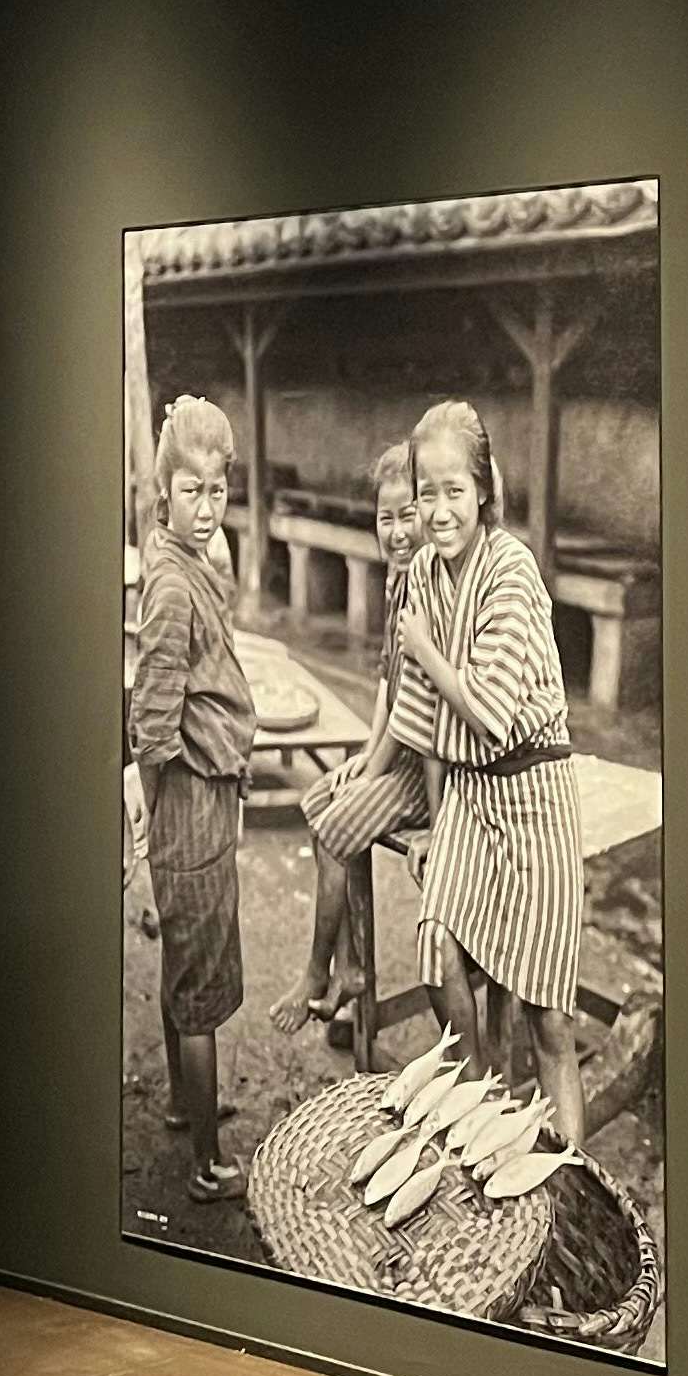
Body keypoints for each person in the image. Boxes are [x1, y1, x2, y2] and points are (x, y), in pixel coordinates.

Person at [386, 397, 589, 1149]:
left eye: (454, 491)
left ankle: (566, 1180)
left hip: (534, 792)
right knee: (437, 947)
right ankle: (479, 1103)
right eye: (426, 493)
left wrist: (421, 647)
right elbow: (423, 722)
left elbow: (487, 712)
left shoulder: (512, 570)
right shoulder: (424, 574)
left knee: (549, 1018)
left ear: (483, 491)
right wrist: (433, 824)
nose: (439, 511)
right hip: (472, 795)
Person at [127, 395, 253, 1199]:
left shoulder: (186, 559)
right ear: (162, 492)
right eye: (190, 491)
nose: (207, 509)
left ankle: (184, 1102)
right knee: (201, 987)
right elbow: (151, 716)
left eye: (218, 491)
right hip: (191, 799)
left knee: (186, 965)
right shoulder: (172, 586)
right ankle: (208, 1165)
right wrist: (152, 805)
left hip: (201, 796)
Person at [281, 442, 428, 1045]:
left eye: (407, 515)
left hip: (430, 766)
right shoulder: (398, 581)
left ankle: (321, 971)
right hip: (399, 753)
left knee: (335, 828)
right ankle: (351, 966)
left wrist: (374, 771)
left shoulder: (429, 587)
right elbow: (388, 689)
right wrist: (365, 758)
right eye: (384, 518)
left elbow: (414, 711)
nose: (396, 532)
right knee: (318, 799)